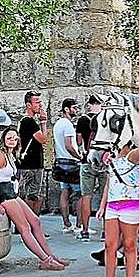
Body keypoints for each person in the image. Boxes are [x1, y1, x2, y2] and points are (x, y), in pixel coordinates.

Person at [0, 127, 68, 270]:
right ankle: (45, 259)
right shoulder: (0, 155)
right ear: (3, 139)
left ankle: (50, 255)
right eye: (9, 138)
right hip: (3, 194)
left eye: (15, 138)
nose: (12, 141)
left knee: (35, 221)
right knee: (24, 227)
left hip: (11, 192)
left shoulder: (10, 155)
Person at [96, 145, 139, 277]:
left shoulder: (134, 156)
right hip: (112, 205)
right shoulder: (112, 155)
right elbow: (109, 183)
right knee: (109, 245)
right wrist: (102, 206)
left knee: (130, 245)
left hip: (130, 204)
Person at [74, 95, 104, 241]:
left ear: (89, 105)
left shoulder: (83, 120)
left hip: (87, 161)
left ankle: (85, 230)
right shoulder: (104, 119)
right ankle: (105, 230)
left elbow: (78, 140)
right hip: (104, 161)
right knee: (106, 196)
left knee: (86, 196)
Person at [53, 97, 83, 233]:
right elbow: (69, 146)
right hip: (72, 163)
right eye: (74, 108)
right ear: (67, 109)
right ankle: (79, 225)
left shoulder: (58, 124)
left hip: (61, 162)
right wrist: (80, 157)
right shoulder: (68, 125)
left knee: (64, 192)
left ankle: (66, 224)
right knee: (80, 194)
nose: (76, 110)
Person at [18, 91, 49, 216]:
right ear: (28, 105)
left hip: (33, 163)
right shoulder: (28, 122)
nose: (40, 105)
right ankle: (30, 223)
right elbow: (43, 139)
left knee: (33, 195)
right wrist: (44, 122)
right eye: (37, 102)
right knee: (31, 195)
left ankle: (30, 223)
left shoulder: (28, 122)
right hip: (31, 164)